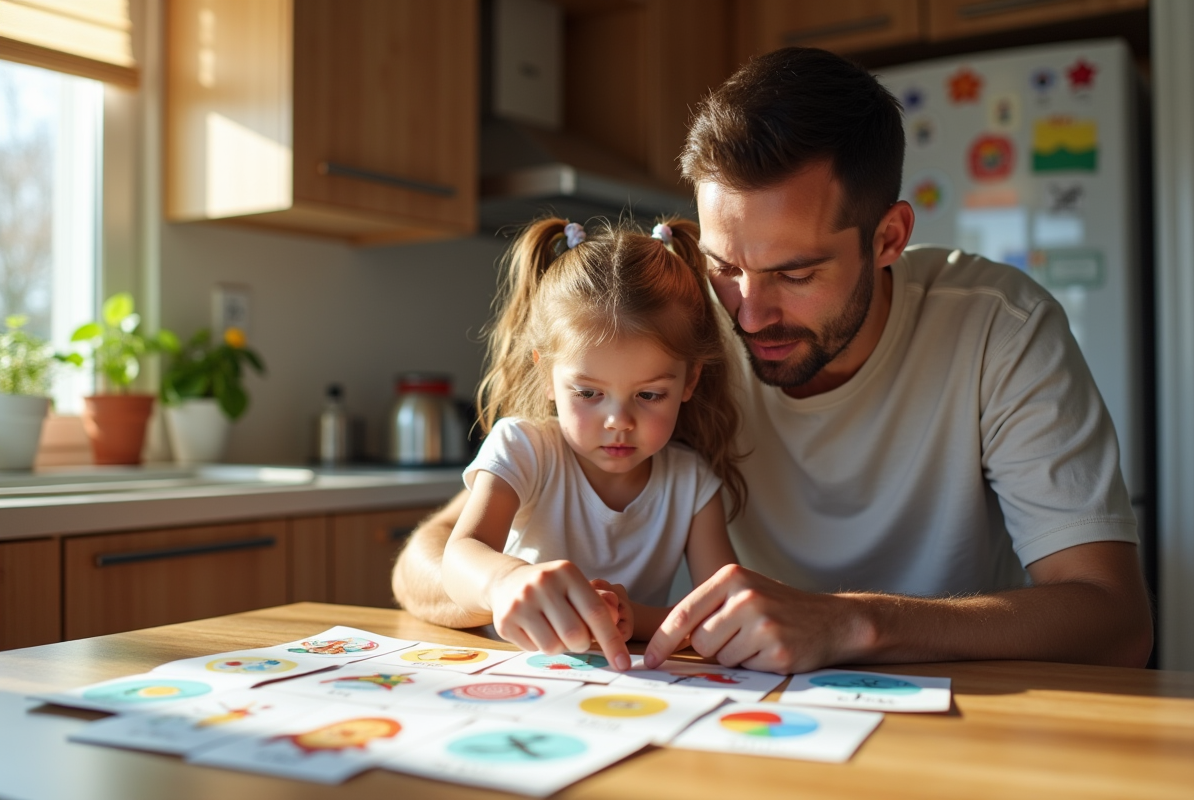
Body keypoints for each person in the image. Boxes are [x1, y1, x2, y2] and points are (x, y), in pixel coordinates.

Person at [394, 47, 1153, 674]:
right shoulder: (681, 328)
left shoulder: (1001, 329)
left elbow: (1115, 620)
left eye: (795, 274)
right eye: (726, 266)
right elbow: (422, 568)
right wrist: (505, 586)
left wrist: (855, 624)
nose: (747, 315)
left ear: (888, 239)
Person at [436, 217, 747, 671]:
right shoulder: (524, 448)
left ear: (690, 380)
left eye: (649, 395)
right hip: (509, 669)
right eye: (588, 393)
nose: (619, 421)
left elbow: (721, 614)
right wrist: (507, 581)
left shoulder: (692, 483)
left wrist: (629, 617)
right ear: (546, 375)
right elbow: (460, 555)